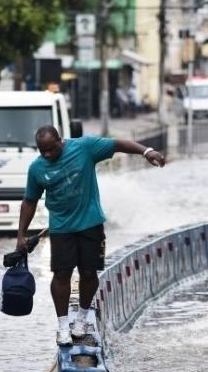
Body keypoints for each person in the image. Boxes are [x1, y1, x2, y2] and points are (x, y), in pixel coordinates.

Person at [15, 126, 166, 346]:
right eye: (42, 151)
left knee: (88, 272)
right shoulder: (37, 169)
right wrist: (20, 235)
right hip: (61, 228)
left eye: (51, 149)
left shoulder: (84, 148)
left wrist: (146, 152)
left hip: (91, 223)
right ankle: (63, 326)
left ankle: (82, 319)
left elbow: (118, 144)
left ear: (60, 141)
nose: (47, 155)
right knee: (61, 274)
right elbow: (29, 202)